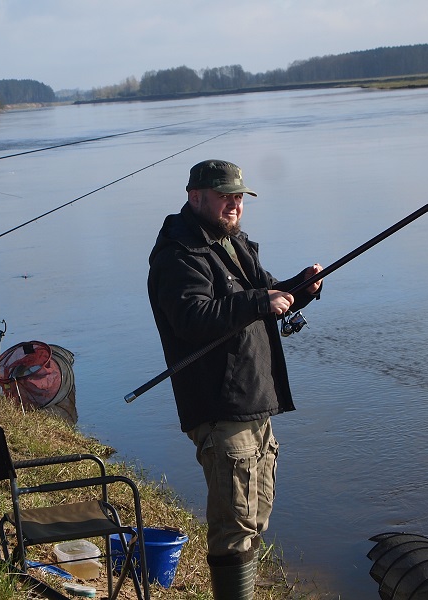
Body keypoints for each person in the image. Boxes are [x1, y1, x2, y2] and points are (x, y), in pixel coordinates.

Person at [147, 159, 323, 600]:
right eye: (225, 196)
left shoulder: (231, 242)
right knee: (235, 525)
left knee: (255, 518)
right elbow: (192, 317)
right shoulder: (179, 254)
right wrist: (260, 301)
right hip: (220, 406)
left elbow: (266, 292)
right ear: (195, 197)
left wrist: (302, 287)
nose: (235, 204)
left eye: (240, 196)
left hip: (254, 399)